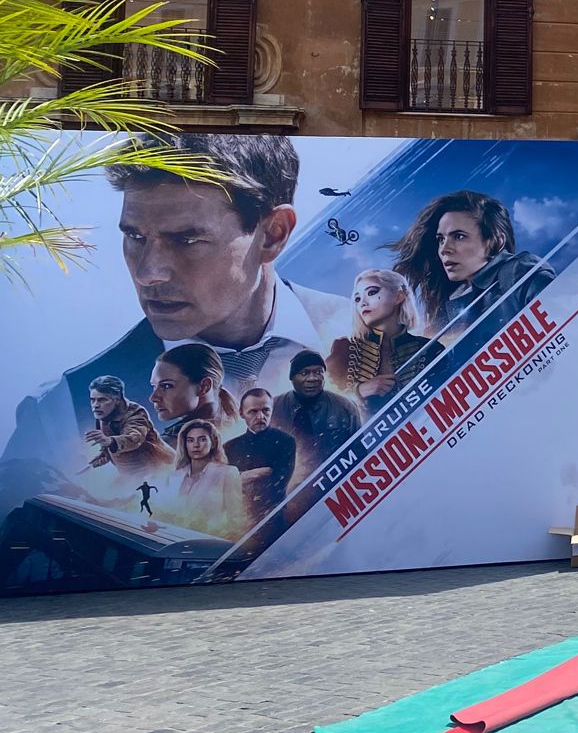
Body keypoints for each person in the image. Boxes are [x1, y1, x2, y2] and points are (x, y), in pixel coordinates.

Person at [6, 135, 351, 486]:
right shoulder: (60, 416)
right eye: (135, 237)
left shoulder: (373, 335)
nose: (148, 273)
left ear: (273, 235)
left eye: (185, 240)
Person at [391, 190, 556, 338]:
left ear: (496, 241)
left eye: (459, 236)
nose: (444, 249)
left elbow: (563, 320)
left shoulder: (518, 271)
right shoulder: (450, 305)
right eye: (441, 239)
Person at [325, 268, 436, 411]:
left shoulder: (429, 348)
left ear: (398, 297)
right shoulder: (343, 349)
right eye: (357, 299)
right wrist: (359, 391)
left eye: (371, 292)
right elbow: (321, 401)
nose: (362, 303)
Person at [271, 351, 365, 489]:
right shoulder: (272, 408)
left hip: (336, 487)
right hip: (287, 493)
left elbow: (359, 452)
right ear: (292, 378)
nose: (312, 378)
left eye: (318, 372)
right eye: (304, 373)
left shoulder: (345, 406)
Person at [80, 374, 173, 481]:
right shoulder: (103, 415)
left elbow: (134, 438)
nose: (95, 405)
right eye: (93, 400)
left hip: (163, 472)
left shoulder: (136, 414)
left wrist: (109, 441)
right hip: (132, 477)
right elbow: (109, 448)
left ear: (117, 399)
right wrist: (92, 464)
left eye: (102, 400)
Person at [226, 387, 295, 520]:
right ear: (241, 413)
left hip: (272, 517)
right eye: (253, 411)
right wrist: (258, 473)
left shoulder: (285, 441)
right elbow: (223, 488)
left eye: (265, 410)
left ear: (272, 410)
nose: (260, 417)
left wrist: (239, 478)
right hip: (236, 520)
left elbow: (277, 484)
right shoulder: (228, 447)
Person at [166, 419, 245, 535]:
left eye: (202, 439)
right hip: (173, 539)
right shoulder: (174, 477)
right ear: (185, 444)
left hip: (208, 542)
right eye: (190, 440)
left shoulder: (228, 473)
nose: (196, 445)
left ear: (213, 443)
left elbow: (235, 518)